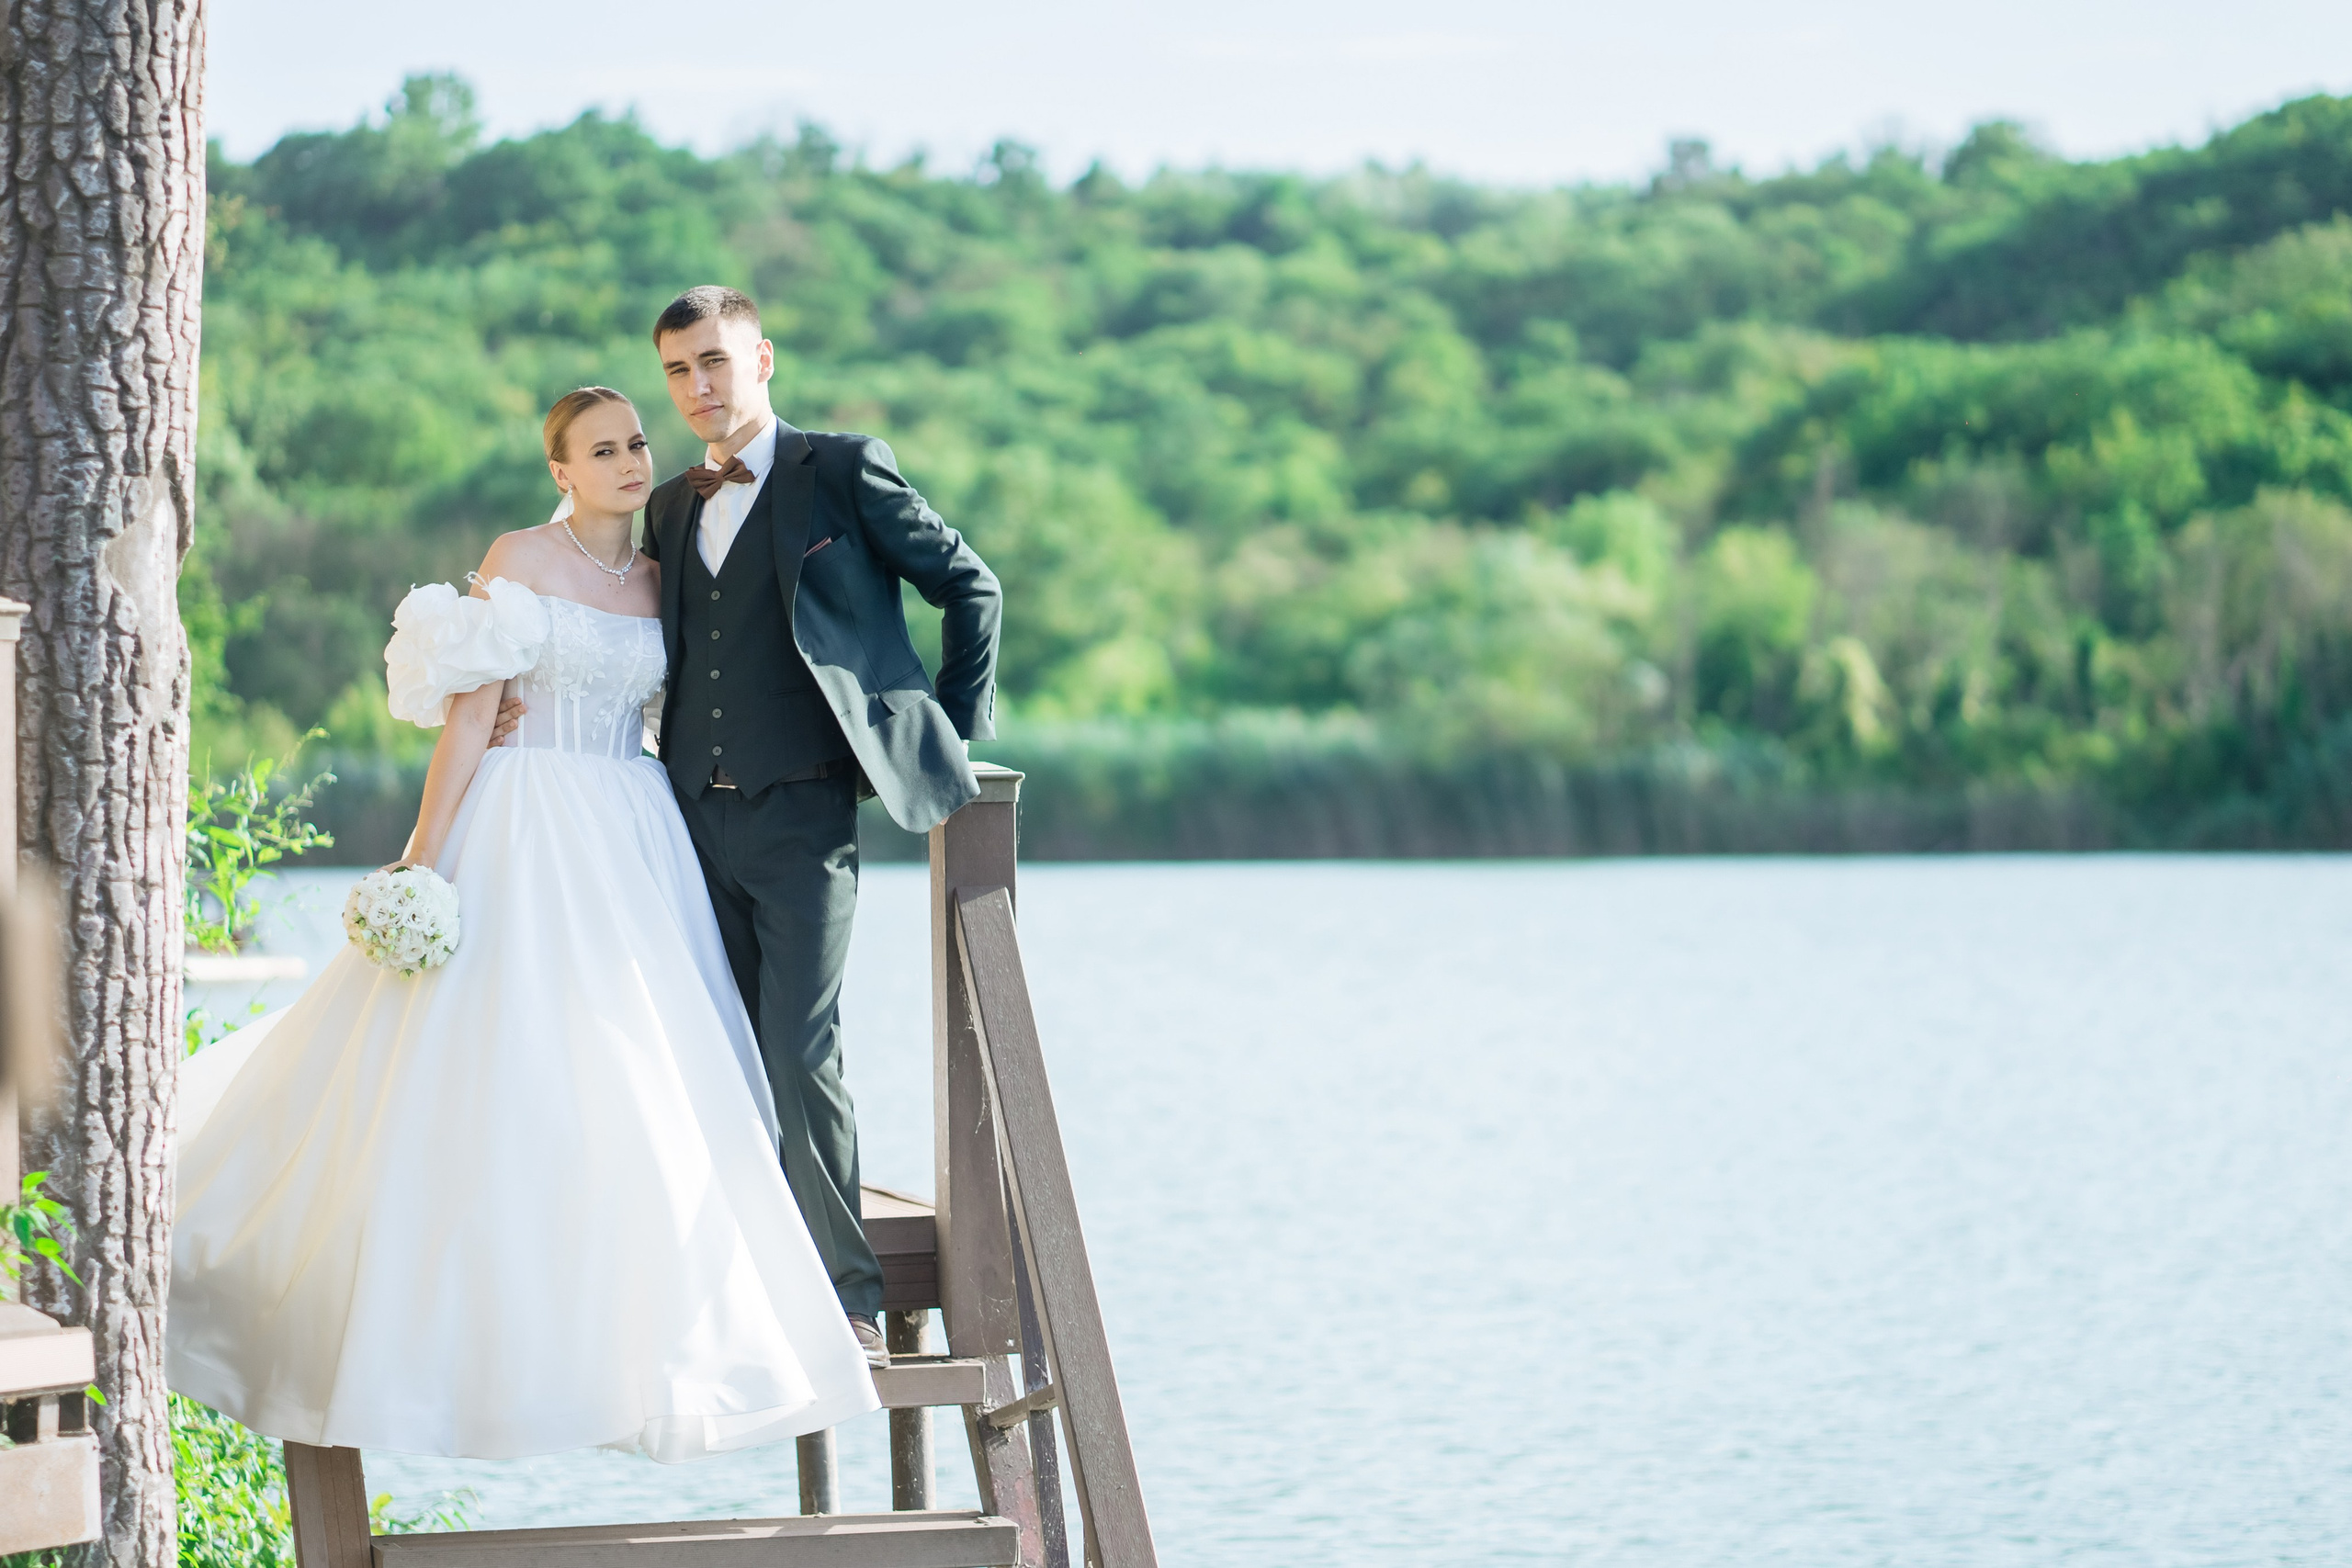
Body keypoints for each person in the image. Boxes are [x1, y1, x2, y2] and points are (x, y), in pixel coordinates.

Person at [167, 388, 880, 1461]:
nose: (631, 460)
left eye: (638, 441)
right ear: (562, 471)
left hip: (634, 826)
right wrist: (423, 859)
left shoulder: (660, 578)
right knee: (479, 1051)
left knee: (638, 1068)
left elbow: (690, 707)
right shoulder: (518, 560)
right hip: (525, 814)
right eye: (602, 449)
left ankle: (650, 1334)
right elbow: (468, 720)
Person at [571, 284, 1002, 1367]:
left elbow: (970, 588)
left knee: (800, 1050)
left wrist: (936, 734)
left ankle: (846, 1299)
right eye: (677, 370)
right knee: (706, 1044)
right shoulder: (668, 506)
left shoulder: (843, 469)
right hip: (683, 820)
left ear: (761, 358)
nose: (697, 387)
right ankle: (719, 1285)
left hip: (807, 814)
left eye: (714, 361)